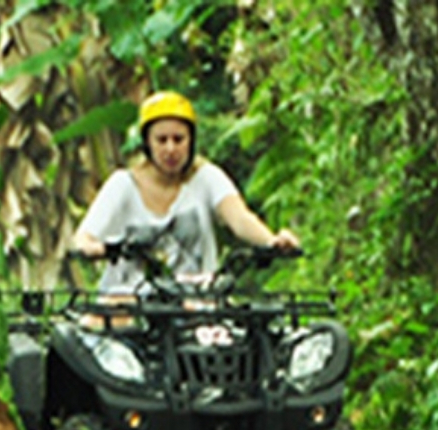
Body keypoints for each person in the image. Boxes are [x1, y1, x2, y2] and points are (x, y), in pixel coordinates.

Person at [72, 91, 300, 292]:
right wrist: (94, 248)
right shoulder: (123, 184)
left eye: (178, 139)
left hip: (196, 306)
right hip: (131, 308)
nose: (170, 149)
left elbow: (239, 218)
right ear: (147, 144)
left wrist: (271, 241)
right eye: (161, 140)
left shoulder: (206, 177)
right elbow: (84, 237)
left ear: (191, 141)